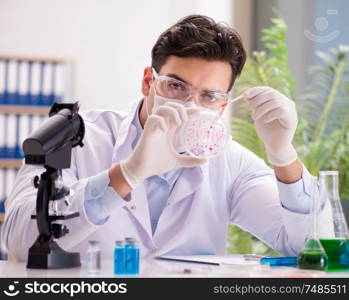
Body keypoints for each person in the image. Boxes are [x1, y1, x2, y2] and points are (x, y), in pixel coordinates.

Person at [1, 15, 330, 261]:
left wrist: (285, 157)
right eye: (176, 86)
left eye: (209, 96)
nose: (191, 106)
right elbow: (17, 237)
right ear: (148, 82)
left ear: (224, 104)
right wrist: (126, 175)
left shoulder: (229, 160)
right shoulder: (78, 135)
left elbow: (313, 246)